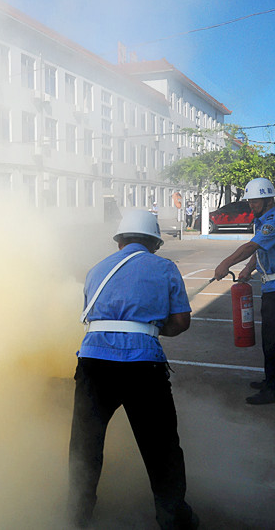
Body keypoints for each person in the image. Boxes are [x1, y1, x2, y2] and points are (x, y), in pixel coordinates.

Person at [68, 210, 198, 530]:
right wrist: (152, 329)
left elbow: (92, 318)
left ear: (120, 242)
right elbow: (181, 322)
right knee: (162, 449)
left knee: (85, 446)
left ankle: (76, 516)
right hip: (143, 366)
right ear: (154, 243)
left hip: (93, 364)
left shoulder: (96, 269)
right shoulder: (164, 267)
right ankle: (174, 520)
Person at [213, 177, 275, 405]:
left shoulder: (274, 222)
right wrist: (247, 268)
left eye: (255, 201)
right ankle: (271, 380)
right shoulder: (263, 220)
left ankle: (273, 391)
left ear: (268, 200)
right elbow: (261, 250)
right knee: (270, 340)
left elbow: (251, 246)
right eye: (250, 201)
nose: (251, 205)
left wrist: (226, 263)